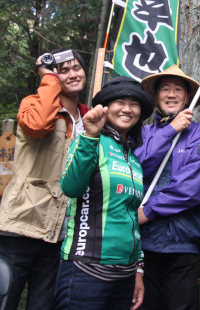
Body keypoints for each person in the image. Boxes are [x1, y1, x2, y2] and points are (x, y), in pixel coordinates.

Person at [0, 48, 90, 310]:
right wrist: (48, 78)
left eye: (77, 68)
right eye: (63, 70)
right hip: (19, 228)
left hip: (58, 235)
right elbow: (38, 126)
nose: (72, 74)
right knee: (0, 304)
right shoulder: (34, 104)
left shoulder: (89, 118)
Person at [54, 76, 154, 310]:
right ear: (105, 107)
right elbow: (70, 187)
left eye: (134, 103)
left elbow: (131, 218)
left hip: (125, 276)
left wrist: (138, 268)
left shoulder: (134, 159)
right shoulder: (89, 140)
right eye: (120, 102)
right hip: (86, 270)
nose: (128, 109)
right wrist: (90, 136)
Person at [134, 65, 200, 310]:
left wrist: (148, 212)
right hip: (142, 244)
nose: (171, 94)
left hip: (182, 243)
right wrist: (170, 130)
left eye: (178, 89)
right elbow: (137, 168)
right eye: (165, 89)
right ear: (156, 96)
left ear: (187, 97)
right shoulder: (144, 132)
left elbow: (192, 188)